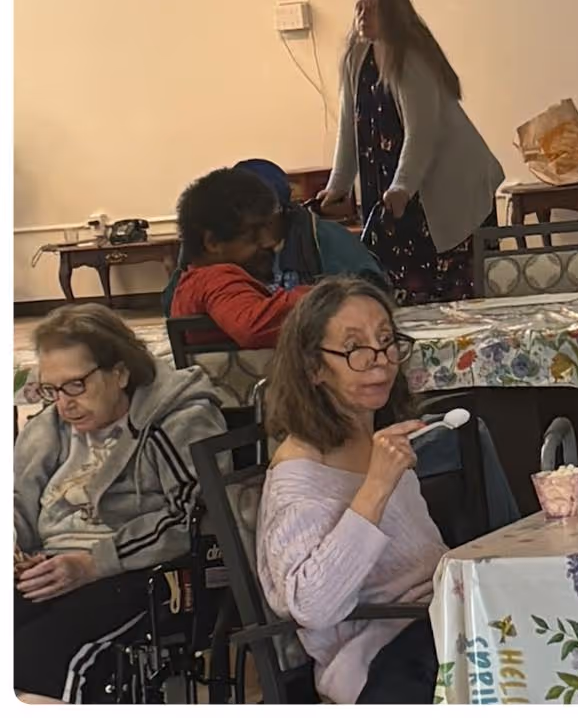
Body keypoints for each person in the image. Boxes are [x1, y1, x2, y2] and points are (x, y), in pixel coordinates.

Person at [14, 307, 225, 702]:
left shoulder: (177, 418)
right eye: (51, 390)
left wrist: (92, 564)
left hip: (135, 569)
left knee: (34, 657)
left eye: (75, 385)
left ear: (120, 373)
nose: (64, 404)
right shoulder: (50, 427)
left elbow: (195, 516)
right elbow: (15, 498)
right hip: (51, 563)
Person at [256, 279, 443, 703]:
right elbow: (312, 607)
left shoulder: (378, 437)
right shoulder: (298, 478)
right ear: (314, 368)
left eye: (386, 340)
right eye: (355, 348)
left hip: (439, 620)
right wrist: (376, 486)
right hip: (378, 659)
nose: (380, 362)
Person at [318, 0, 505, 304]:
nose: (362, 15)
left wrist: (402, 186)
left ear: (392, 13)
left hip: (448, 184)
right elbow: (350, 124)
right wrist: (338, 185)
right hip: (397, 185)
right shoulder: (356, 55)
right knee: (395, 284)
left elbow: (422, 132)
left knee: (453, 292)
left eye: (372, 9)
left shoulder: (411, 56)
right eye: (359, 7)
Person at [168, 168, 312, 346]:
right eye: (254, 233)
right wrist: (325, 297)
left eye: (268, 228)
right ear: (213, 242)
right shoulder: (216, 279)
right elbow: (253, 328)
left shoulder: (193, 282)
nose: (269, 242)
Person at [233, 159, 390, 293]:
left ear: (281, 210)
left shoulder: (327, 240)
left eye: (260, 218)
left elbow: (373, 292)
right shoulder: (229, 247)